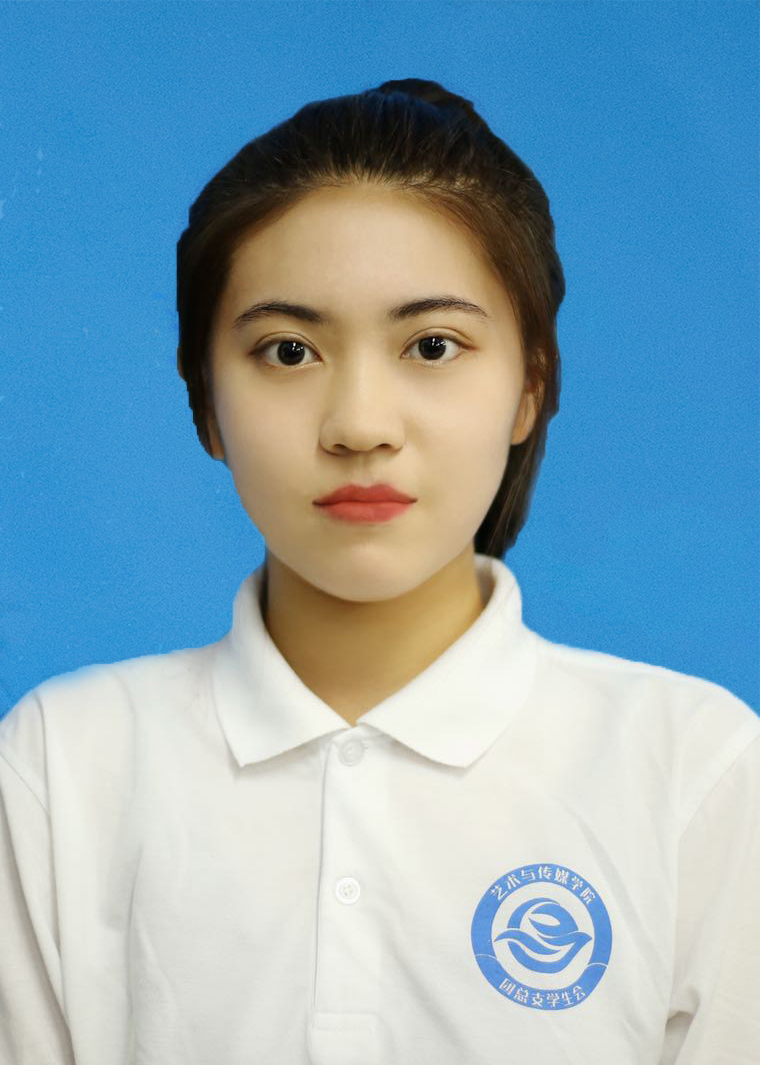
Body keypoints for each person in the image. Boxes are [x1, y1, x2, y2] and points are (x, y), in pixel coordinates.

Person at [0, 78, 757, 1065]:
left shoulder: (697, 770)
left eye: (432, 346)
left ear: (529, 386)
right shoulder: (61, 766)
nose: (359, 425)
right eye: (288, 351)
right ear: (205, 404)